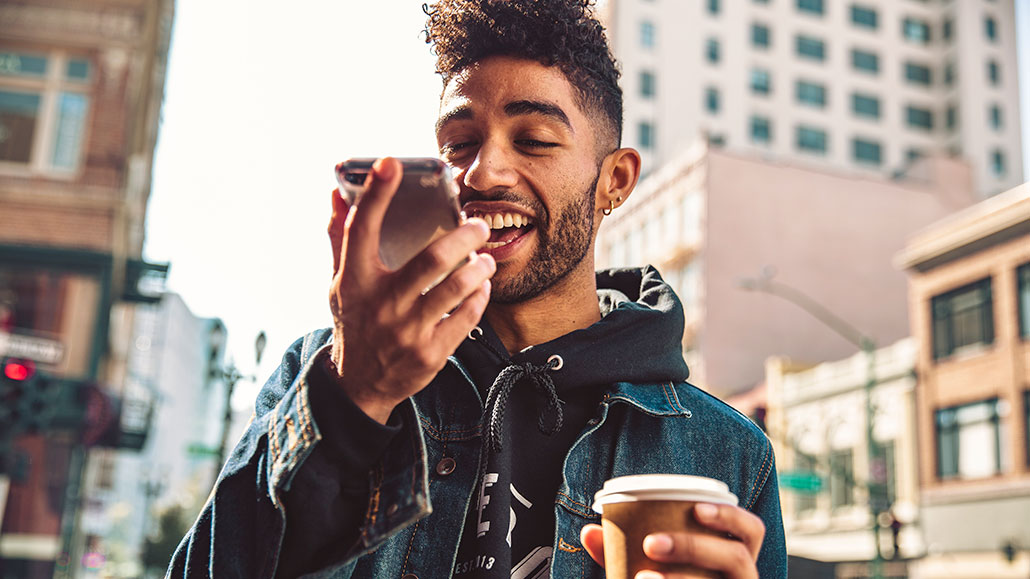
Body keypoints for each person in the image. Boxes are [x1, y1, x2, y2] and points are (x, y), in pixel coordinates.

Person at [169, 0, 786, 577]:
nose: (482, 172)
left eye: (535, 141)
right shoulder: (326, 372)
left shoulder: (729, 455)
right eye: (458, 145)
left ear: (615, 183)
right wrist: (352, 399)